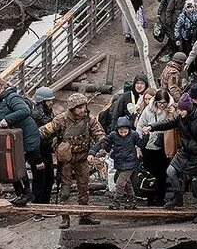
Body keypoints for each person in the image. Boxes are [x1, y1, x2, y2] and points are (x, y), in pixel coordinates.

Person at [141, 93, 197, 210]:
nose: (179, 112)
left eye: (182, 110)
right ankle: (178, 197)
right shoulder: (180, 118)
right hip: (184, 151)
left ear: (188, 109)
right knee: (170, 171)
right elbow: (167, 123)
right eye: (179, 109)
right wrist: (152, 127)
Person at [39, 93, 104, 228]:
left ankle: (84, 215)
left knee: (84, 187)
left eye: (83, 107)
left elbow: (99, 134)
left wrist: (102, 146)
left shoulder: (89, 120)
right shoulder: (61, 119)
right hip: (66, 161)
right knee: (65, 189)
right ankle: (65, 217)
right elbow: (44, 131)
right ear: (72, 108)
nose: (82, 110)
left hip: (82, 158)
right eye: (79, 108)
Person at [0, 78, 43, 207]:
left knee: (17, 164)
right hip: (16, 137)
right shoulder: (0, 100)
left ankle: (27, 193)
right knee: (13, 165)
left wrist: (7, 119)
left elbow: (24, 111)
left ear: (1, 88)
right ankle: (21, 193)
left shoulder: (11, 97)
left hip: (26, 136)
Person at [90, 116, 145, 209]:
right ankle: (132, 200)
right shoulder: (113, 135)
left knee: (120, 183)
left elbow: (141, 144)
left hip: (130, 163)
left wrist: (146, 136)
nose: (123, 134)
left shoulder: (133, 135)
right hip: (119, 162)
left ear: (129, 129)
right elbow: (102, 143)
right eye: (121, 132)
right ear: (117, 130)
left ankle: (117, 201)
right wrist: (92, 152)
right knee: (126, 182)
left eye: (125, 132)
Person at [137, 90, 174, 206]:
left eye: (164, 102)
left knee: (162, 174)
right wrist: (139, 145)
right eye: (160, 103)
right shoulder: (147, 111)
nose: (162, 105)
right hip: (148, 146)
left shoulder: (170, 110)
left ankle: (160, 199)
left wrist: (173, 113)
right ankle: (150, 198)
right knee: (149, 174)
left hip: (163, 147)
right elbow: (140, 125)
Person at [29, 87, 56, 204]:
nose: (51, 103)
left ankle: (45, 204)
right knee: (40, 180)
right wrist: (37, 159)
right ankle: (38, 206)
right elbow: (33, 139)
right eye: (49, 100)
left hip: (46, 149)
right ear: (42, 101)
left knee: (49, 179)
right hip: (38, 151)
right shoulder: (36, 116)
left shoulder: (47, 112)